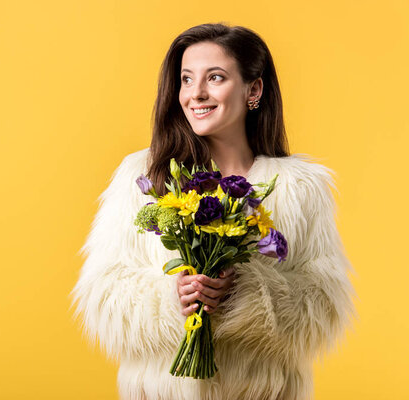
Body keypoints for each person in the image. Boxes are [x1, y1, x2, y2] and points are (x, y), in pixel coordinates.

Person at [71, 23, 356, 400]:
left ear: (253, 89)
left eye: (215, 77)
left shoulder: (300, 186)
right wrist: (173, 297)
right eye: (186, 80)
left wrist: (247, 291)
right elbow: (100, 293)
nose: (196, 94)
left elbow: (327, 302)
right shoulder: (143, 176)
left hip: (261, 391)